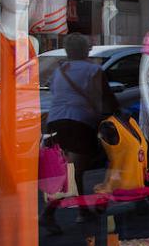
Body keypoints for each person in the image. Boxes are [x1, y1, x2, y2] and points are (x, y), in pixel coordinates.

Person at [45, 33, 113, 197]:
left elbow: (55, 92)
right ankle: (77, 209)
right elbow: (107, 98)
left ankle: (61, 206)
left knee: (67, 168)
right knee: (77, 169)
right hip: (79, 123)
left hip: (55, 121)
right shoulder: (93, 69)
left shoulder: (59, 71)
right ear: (86, 51)